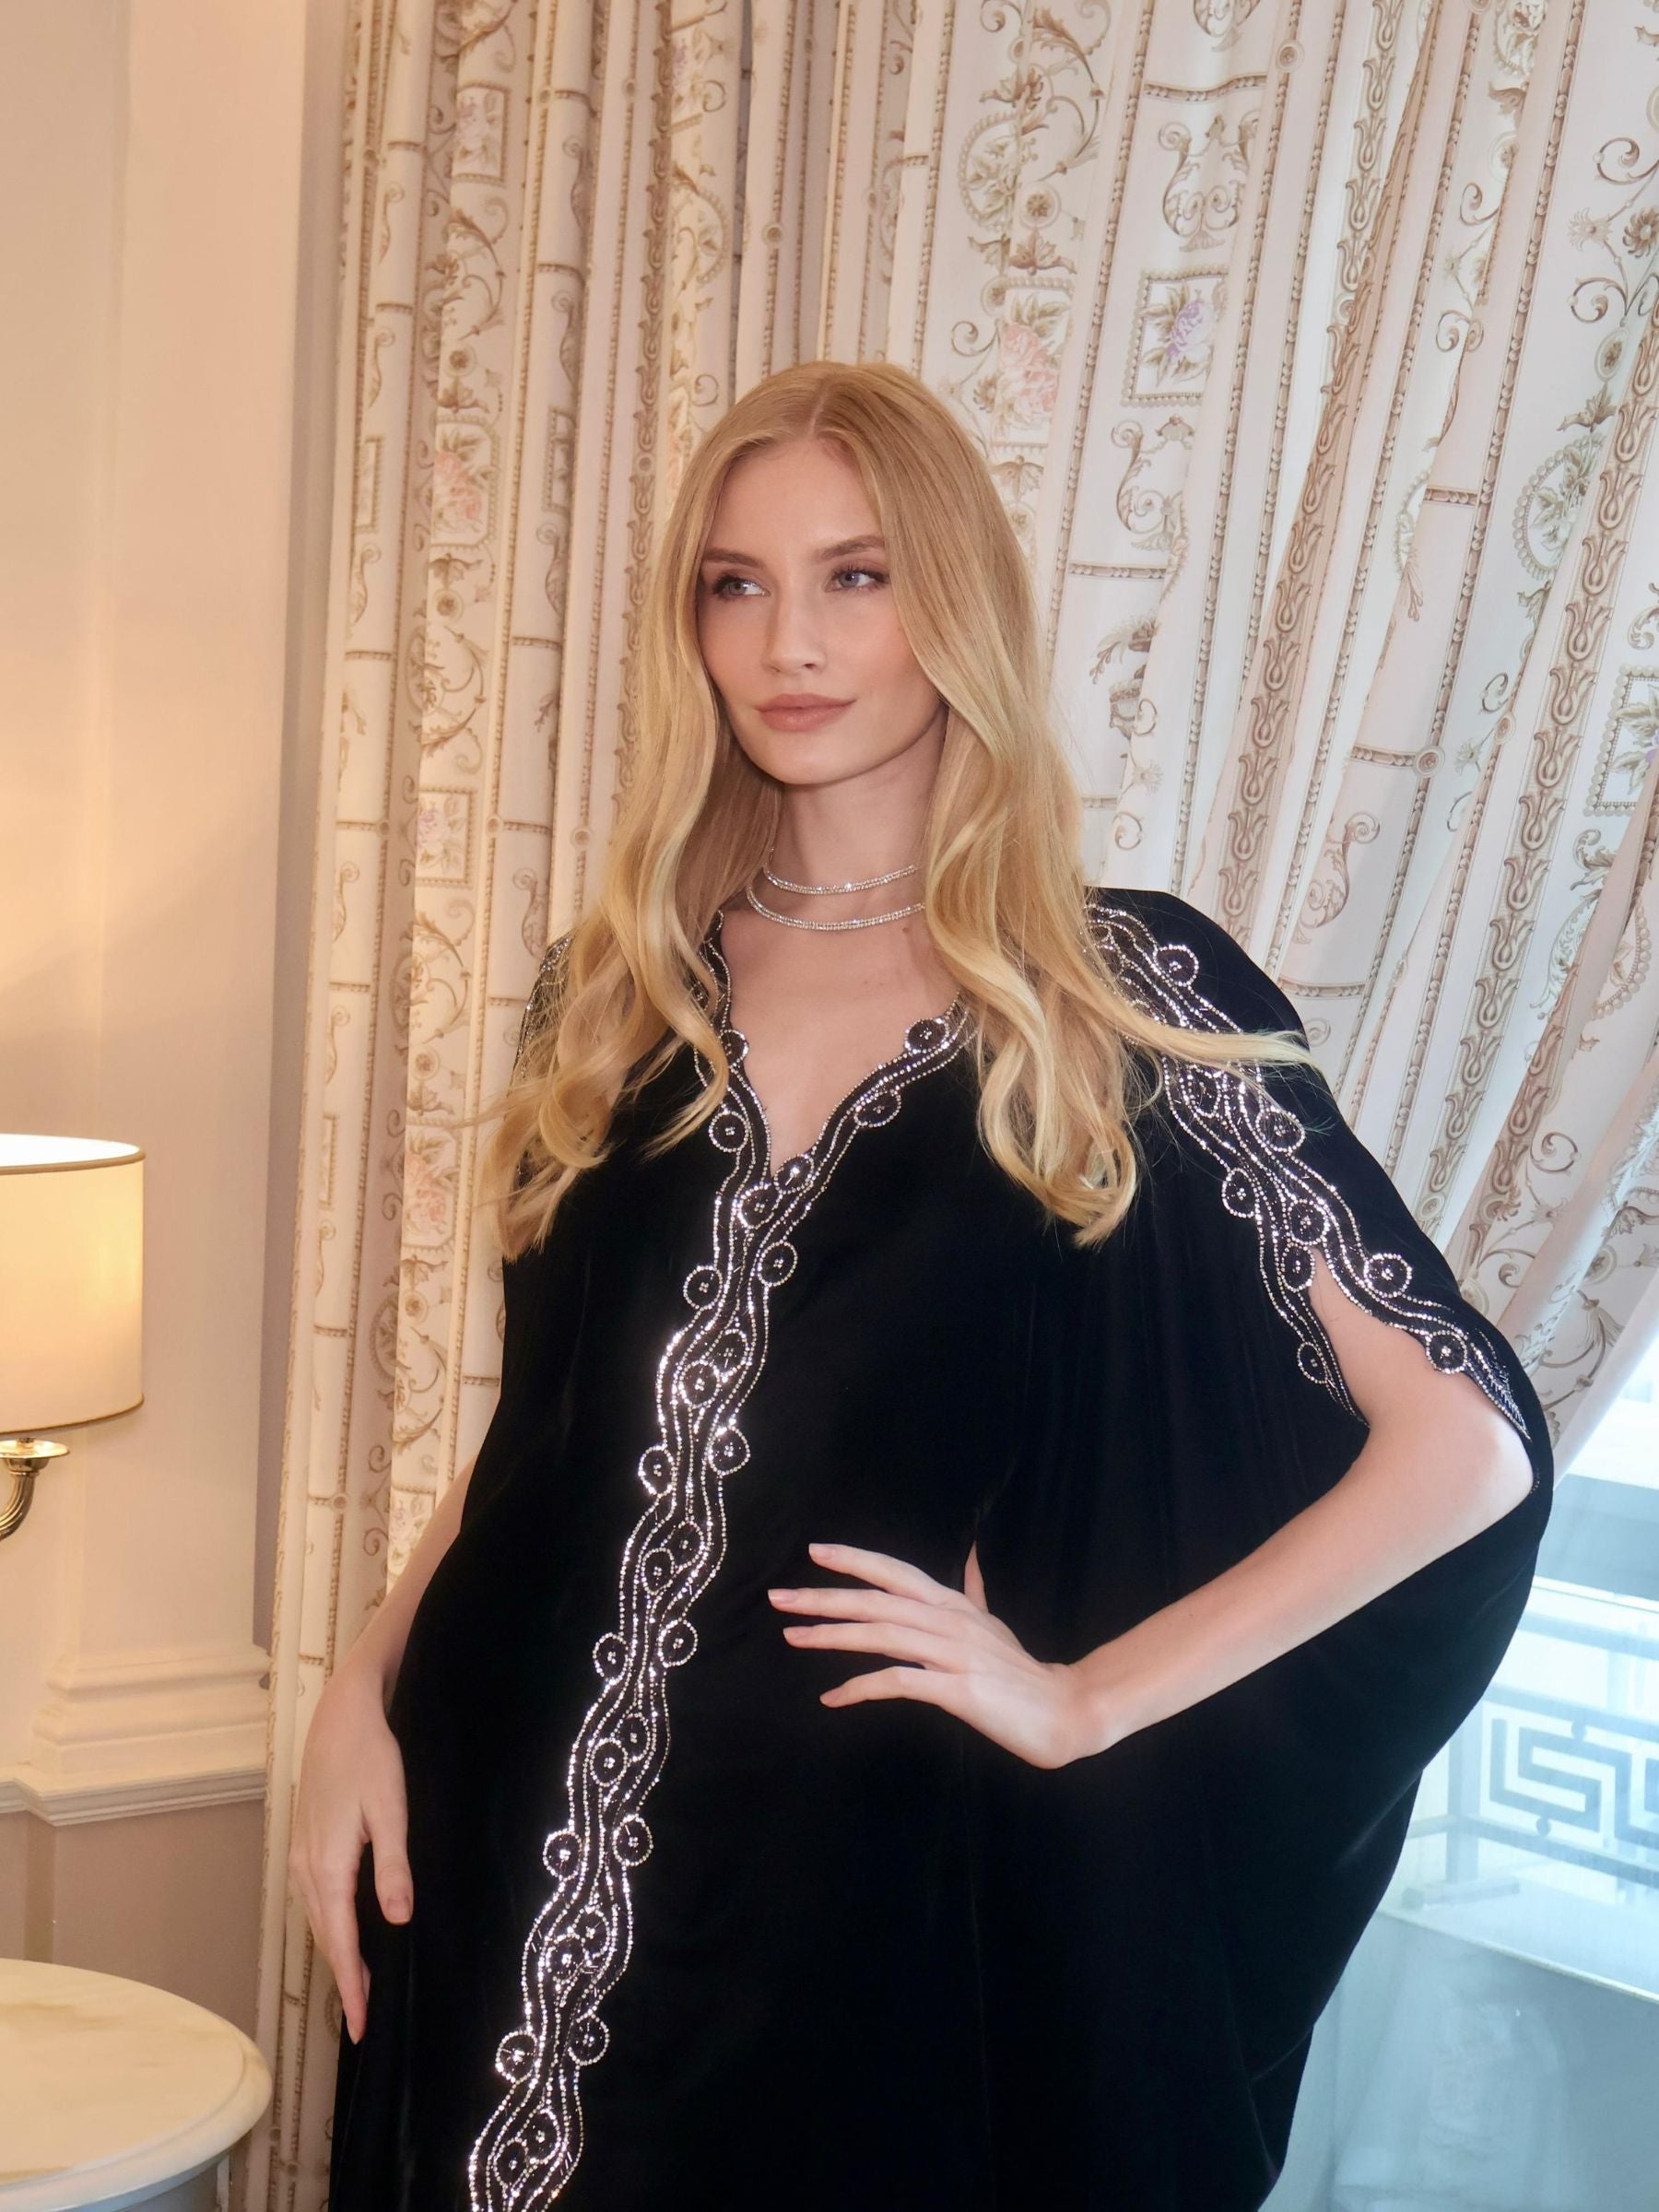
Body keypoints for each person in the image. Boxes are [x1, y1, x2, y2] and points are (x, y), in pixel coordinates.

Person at [296, 359, 1554, 2211]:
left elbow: (1466, 1447)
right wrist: (353, 1693)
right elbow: (560, 1441)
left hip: (848, 1924)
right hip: (480, 1833)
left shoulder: (1118, 995)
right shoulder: (614, 985)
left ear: (950, 599)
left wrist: (1085, 1700)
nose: (788, 639)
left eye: (855, 576)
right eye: (736, 583)